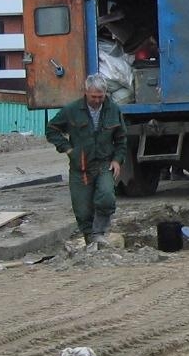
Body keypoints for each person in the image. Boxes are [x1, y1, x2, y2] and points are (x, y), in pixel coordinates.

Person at [46, 73, 128, 246]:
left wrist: (117, 160)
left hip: (104, 164)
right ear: (86, 92)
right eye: (94, 97)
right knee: (82, 210)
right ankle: (90, 239)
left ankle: (99, 233)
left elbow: (121, 139)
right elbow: (51, 130)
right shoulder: (72, 110)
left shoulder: (113, 110)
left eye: (100, 96)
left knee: (106, 197)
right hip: (80, 166)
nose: (97, 100)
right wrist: (67, 149)